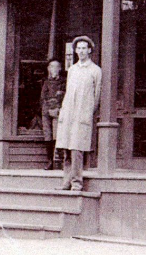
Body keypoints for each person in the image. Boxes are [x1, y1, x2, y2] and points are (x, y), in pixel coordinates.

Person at [55, 36, 102, 191]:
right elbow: (69, 92)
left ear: (89, 50)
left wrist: (88, 113)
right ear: (75, 50)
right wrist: (64, 111)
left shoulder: (95, 70)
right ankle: (66, 182)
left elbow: (96, 96)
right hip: (69, 113)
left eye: (84, 48)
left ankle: (76, 183)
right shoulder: (73, 70)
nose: (81, 51)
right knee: (66, 148)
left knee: (76, 149)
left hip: (82, 114)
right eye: (79, 48)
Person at [40, 58, 66, 170]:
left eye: (56, 66)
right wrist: (47, 108)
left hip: (58, 111)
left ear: (60, 69)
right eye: (51, 66)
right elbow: (42, 97)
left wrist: (58, 108)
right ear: (48, 69)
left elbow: (65, 96)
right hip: (47, 111)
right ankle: (49, 160)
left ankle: (58, 161)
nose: (53, 69)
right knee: (48, 135)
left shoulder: (64, 81)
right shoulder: (45, 82)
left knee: (58, 135)